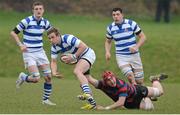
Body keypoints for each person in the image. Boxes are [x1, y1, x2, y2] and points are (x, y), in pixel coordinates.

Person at [10, 1, 56, 105]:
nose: (38, 11)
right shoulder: (27, 21)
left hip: (40, 52)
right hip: (29, 52)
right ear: (33, 11)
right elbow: (13, 33)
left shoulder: (45, 22)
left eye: (40, 9)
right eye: (36, 9)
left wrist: (57, 44)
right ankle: (24, 77)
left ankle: (45, 100)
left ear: (43, 10)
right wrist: (20, 45)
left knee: (48, 77)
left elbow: (52, 34)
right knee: (36, 78)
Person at [47, 27, 97, 109]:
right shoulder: (54, 47)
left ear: (58, 35)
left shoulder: (67, 38)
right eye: (49, 38)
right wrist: (54, 72)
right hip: (80, 58)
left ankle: (87, 93)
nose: (51, 40)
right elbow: (53, 61)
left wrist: (74, 56)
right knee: (86, 80)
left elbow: (83, 46)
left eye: (53, 37)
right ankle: (93, 103)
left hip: (88, 54)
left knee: (77, 71)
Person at [78, 70, 168, 110]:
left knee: (160, 92)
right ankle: (148, 97)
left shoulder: (121, 85)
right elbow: (89, 78)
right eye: (108, 80)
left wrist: (105, 108)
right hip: (131, 103)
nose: (112, 81)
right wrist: (82, 70)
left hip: (139, 91)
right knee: (150, 109)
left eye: (112, 78)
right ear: (105, 82)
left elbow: (120, 103)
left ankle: (154, 80)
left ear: (114, 77)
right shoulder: (102, 84)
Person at [105, 8, 146, 85]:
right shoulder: (110, 28)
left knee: (139, 81)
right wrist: (107, 52)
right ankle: (136, 96)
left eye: (118, 14)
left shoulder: (131, 23)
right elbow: (108, 41)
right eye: (113, 15)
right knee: (130, 77)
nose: (116, 16)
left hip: (134, 55)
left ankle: (146, 94)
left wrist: (136, 47)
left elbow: (143, 37)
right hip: (121, 56)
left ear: (122, 15)